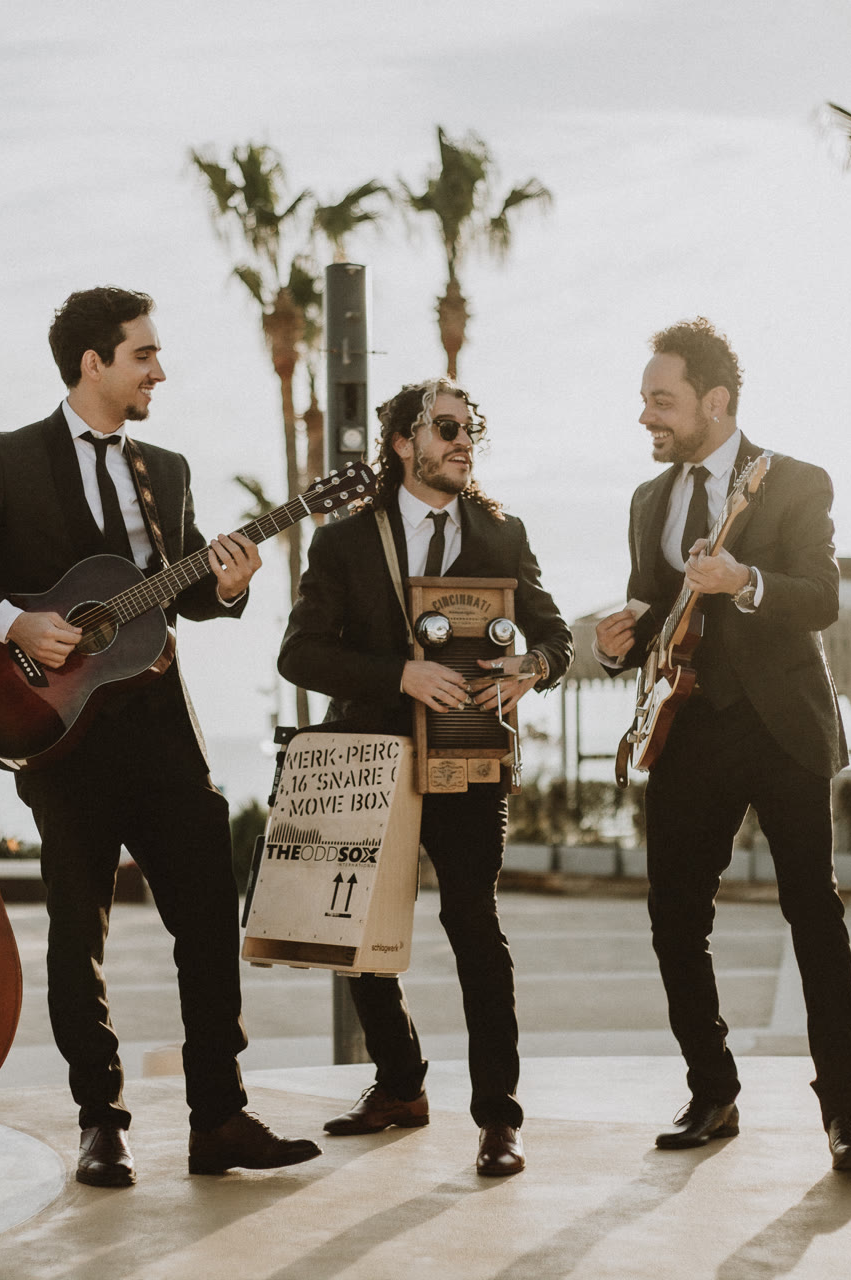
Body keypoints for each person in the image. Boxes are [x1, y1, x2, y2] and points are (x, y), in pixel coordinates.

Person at [0, 286, 318, 1186]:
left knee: (208, 920)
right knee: (75, 932)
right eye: (144, 355)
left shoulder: (163, 470)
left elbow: (187, 594)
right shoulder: (7, 459)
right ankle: (102, 1120)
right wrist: (13, 621)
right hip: (55, 734)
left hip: (166, 733)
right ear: (93, 363)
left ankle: (220, 1116)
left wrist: (232, 584)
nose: (158, 371)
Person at [593, 318, 851, 1172]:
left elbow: (823, 596)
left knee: (814, 916)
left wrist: (743, 581)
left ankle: (845, 1114)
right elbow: (656, 614)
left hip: (782, 724)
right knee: (674, 920)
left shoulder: (793, 481)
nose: (647, 416)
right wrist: (621, 643)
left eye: (662, 400)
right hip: (686, 729)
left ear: (715, 402)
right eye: (646, 400)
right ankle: (711, 1089)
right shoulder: (650, 501)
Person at [279, 378, 572, 1178]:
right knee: (357, 935)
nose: (462, 439)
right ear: (403, 442)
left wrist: (530, 668)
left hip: (470, 756)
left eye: (471, 425)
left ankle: (499, 1120)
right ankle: (400, 1084)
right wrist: (401, 675)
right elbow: (299, 654)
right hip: (369, 758)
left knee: (475, 928)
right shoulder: (345, 541)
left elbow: (554, 638)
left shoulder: (502, 534)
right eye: (446, 426)